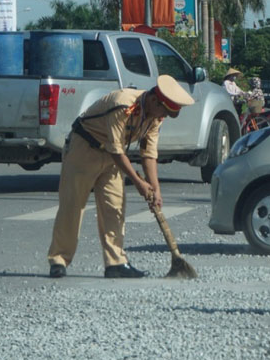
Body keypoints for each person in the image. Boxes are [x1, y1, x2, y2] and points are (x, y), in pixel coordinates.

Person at [47, 75, 195, 279]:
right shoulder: (122, 104)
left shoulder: (155, 116)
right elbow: (117, 151)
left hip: (111, 157)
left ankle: (115, 262)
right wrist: (139, 183)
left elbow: (149, 153)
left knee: (114, 207)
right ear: (154, 100)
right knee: (72, 205)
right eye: (164, 111)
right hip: (84, 149)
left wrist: (155, 188)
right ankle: (59, 259)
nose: (164, 116)